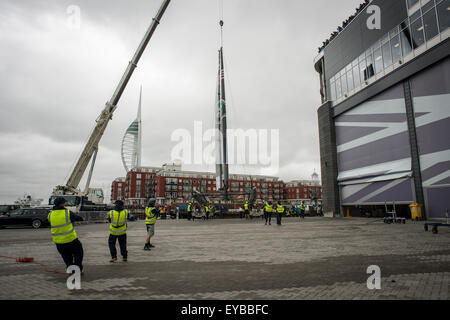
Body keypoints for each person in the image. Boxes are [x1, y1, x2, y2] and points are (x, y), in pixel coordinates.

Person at [47, 197, 84, 272]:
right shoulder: (67, 212)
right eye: (64, 203)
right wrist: (82, 218)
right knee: (78, 252)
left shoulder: (50, 214)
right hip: (70, 239)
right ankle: (77, 268)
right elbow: (77, 218)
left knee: (66, 255)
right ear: (62, 204)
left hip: (58, 241)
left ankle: (70, 268)